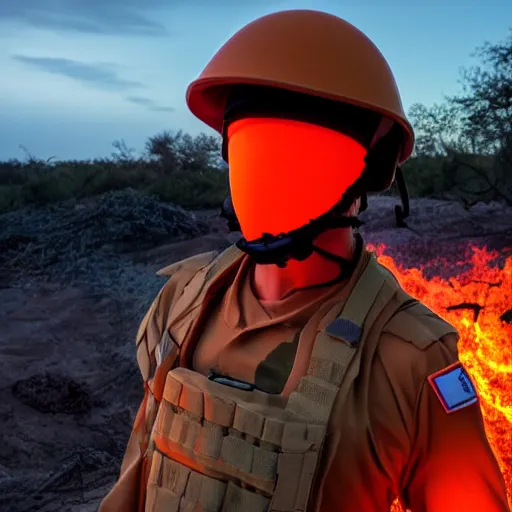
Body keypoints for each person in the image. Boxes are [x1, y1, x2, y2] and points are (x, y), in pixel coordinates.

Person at [99, 9, 510, 512]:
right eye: (254, 149)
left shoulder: (407, 361)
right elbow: (137, 477)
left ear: (371, 172)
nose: (270, 175)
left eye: (304, 152)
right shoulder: (182, 303)